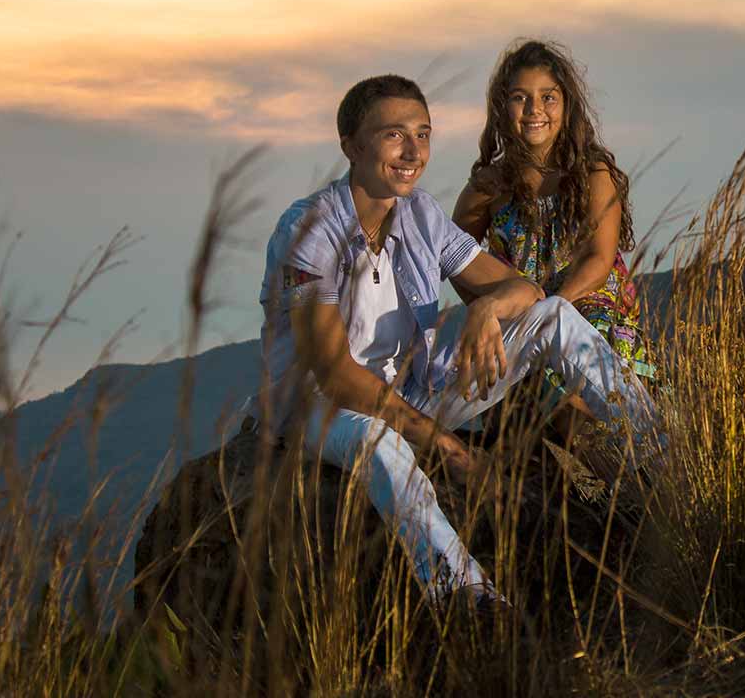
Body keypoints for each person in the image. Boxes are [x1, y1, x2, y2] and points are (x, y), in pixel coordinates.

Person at [252, 73, 660, 603]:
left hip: (413, 389)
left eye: (423, 134)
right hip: (323, 407)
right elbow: (334, 371)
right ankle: (469, 598)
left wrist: (488, 307)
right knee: (384, 445)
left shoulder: (421, 215)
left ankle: (668, 461)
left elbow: (523, 292)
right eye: (393, 134)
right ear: (351, 145)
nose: (413, 151)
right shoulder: (308, 229)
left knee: (556, 315)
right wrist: (452, 451)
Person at [453, 40, 656, 411]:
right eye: (520, 97)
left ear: (567, 104)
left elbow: (599, 259)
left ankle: (624, 443)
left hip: (588, 305)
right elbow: (452, 256)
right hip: (523, 313)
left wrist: (555, 312)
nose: (535, 110)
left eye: (548, 97)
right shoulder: (488, 187)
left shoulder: (592, 174)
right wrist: (489, 308)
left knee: (585, 347)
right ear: (502, 106)